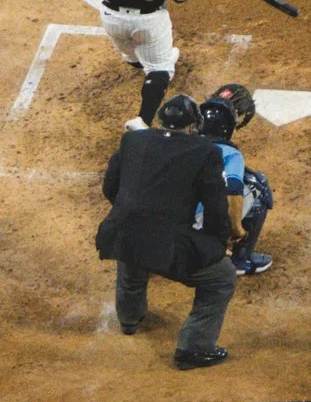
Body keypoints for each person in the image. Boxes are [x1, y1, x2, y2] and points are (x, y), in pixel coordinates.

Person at [96, 93, 246, 369]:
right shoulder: (204, 152)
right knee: (222, 277)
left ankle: (129, 319)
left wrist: (130, 214)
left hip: (120, 232)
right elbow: (215, 206)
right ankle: (194, 348)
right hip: (168, 244)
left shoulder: (133, 140)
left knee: (132, 253)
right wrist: (218, 241)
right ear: (192, 127)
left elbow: (110, 187)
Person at [199, 84, 274, 276]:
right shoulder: (230, 154)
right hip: (192, 233)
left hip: (156, 228)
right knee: (258, 185)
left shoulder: (177, 141)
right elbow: (232, 190)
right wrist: (237, 231)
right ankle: (241, 260)